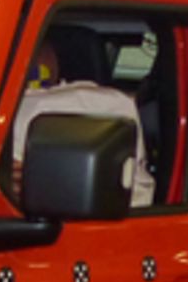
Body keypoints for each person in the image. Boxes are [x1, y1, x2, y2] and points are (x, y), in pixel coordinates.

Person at [9, 37, 154, 208]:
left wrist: (41, 181)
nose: (30, 59)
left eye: (37, 49)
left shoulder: (104, 105)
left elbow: (135, 198)